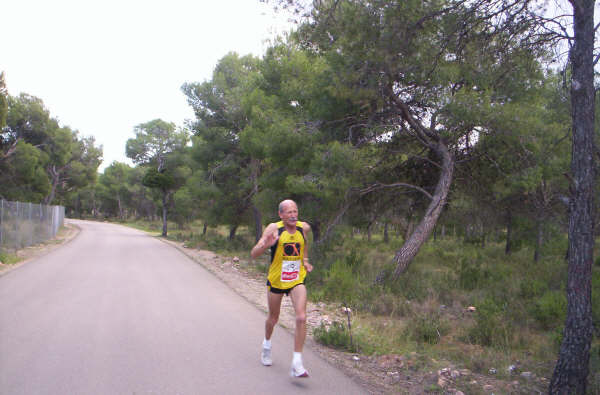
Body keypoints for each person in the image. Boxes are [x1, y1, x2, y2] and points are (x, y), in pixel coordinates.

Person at [250, 199, 313, 378]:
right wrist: (266, 245)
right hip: (277, 280)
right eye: (289, 212)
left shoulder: (303, 228)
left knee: (301, 316)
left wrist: (306, 261)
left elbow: (304, 244)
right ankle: (267, 346)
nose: (293, 215)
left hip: (296, 279)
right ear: (281, 215)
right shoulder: (273, 229)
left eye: (295, 211)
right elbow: (253, 254)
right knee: (273, 317)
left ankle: (297, 361)